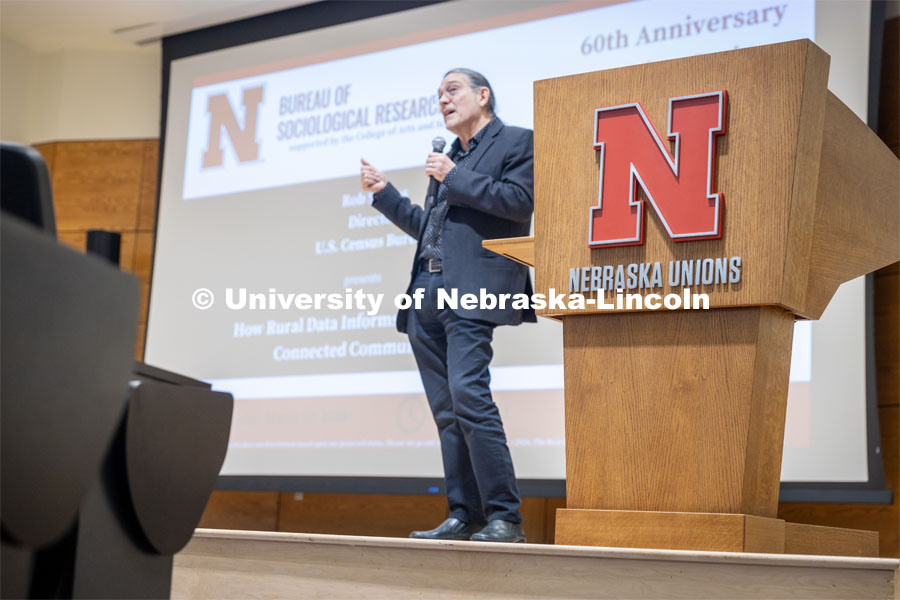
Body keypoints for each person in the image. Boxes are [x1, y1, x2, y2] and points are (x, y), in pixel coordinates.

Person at [360, 68, 535, 543]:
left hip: (474, 289)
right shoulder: (450, 157)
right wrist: (387, 196)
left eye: (452, 90)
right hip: (426, 293)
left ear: (484, 95)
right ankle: (466, 513)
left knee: (471, 399)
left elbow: (519, 203)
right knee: (446, 412)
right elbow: (432, 230)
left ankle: (505, 517)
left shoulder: (517, 142)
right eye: (438, 94)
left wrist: (454, 176)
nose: (443, 99)